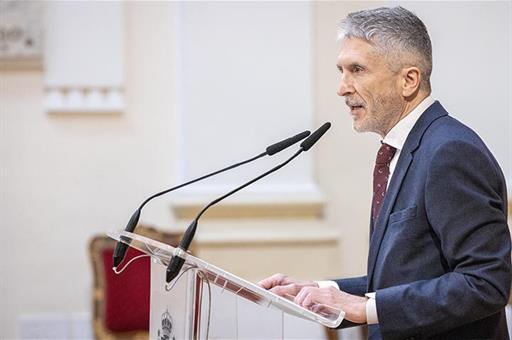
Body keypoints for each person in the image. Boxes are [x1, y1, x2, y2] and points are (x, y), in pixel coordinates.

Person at [259, 6, 511, 340]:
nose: (342, 88)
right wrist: (322, 290)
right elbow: (406, 278)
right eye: (341, 71)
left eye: (357, 70)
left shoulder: (450, 151)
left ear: (409, 80)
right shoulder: (403, 149)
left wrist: (364, 309)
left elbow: (487, 283)